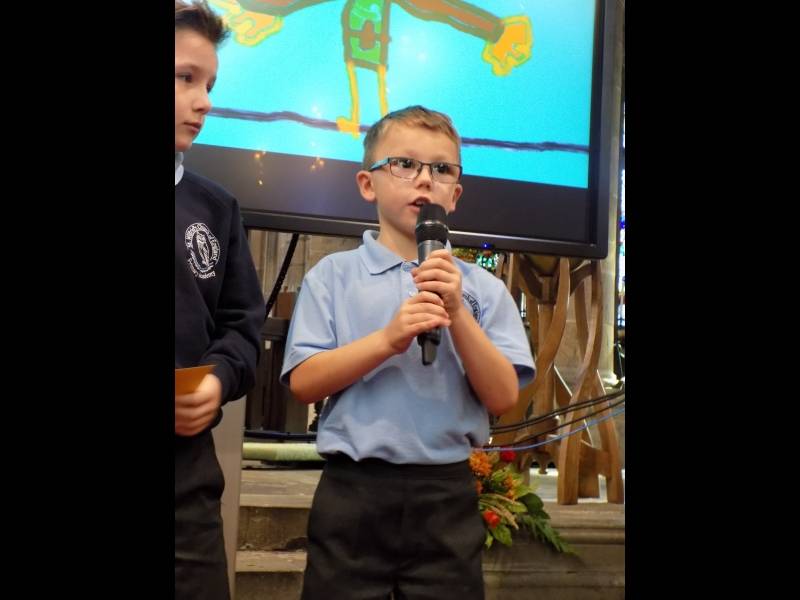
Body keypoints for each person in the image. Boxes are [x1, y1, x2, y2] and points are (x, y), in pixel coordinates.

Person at [281, 105, 535, 599]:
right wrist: (387, 341)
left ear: (455, 195)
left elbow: (504, 396)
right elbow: (304, 383)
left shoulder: (482, 288)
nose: (424, 180)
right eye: (405, 164)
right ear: (367, 184)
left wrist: (457, 313)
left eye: (441, 169)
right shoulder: (332, 277)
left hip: (445, 494)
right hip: (354, 490)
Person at [175, 2, 266, 598]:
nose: (204, 101)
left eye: (209, 84)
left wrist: (218, 378)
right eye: (185, 78)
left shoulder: (216, 208)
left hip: (186, 494)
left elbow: (241, 325)